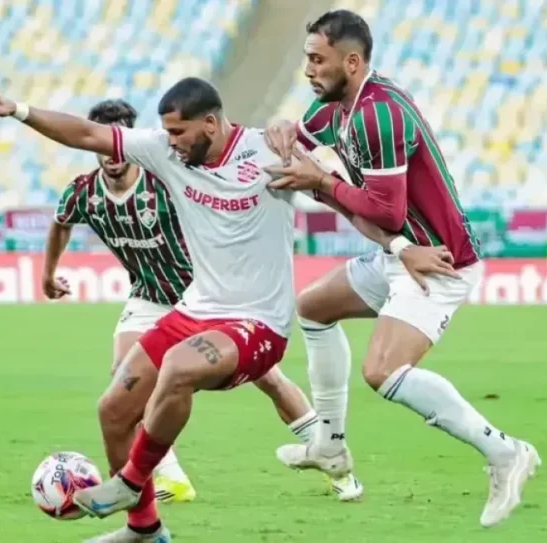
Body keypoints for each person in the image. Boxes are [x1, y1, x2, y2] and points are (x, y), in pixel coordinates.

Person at [0, 78, 402, 542]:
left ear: (209, 123)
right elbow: (86, 134)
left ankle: (131, 481)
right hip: (194, 310)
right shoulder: (164, 152)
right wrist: (18, 109)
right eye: (166, 132)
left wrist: (401, 247)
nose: (169, 141)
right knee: (113, 408)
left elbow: (346, 202)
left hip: (258, 323)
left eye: (178, 132)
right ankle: (144, 530)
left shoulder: (270, 153)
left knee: (181, 367)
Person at [262, 9, 541, 528]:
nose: (308, 69)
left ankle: (505, 452)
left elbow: (385, 211)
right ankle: (329, 446)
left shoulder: (379, 115)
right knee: (314, 308)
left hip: (438, 261)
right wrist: (280, 131)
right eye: (307, 58)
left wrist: (321, 182)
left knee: (382, 371)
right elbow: (297, 149)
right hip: (402, 253)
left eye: (318, 60)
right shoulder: (332, 110)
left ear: (351, 62)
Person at [41, 98, 363, 505]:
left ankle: (334, 461)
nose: (111, 156)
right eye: (103, 148)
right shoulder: (83, 192)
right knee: (125, 379)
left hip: (206, 293)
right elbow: (60, 224)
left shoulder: (163, 176)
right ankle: (170, 479)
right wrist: (48, 273)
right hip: (149, 296)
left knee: (271, 381)